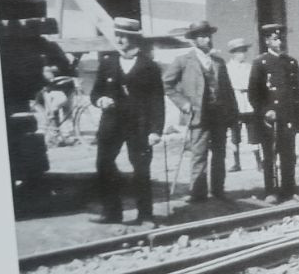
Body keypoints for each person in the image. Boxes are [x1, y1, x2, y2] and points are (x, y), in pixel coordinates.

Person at [90, 18, 164, 224]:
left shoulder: (149, 66)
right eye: (118, 36)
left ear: (134, 39)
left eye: (124, 36)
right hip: (111, 125)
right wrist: (100, 100)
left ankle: (145, 215)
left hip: (139, 126)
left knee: (141, 169)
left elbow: (157, 100)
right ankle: (112, 212)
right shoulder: (107, 63)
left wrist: (156, 130)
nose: (120, 40)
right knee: (104, 164)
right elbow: (95, 93)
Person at [163, 20, 238, 203]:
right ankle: (198, 192)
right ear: (194, 40)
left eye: (208, 35)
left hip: (219, 114)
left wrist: (233, 113)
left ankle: (218, 190)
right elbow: (167, 84)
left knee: (220, 153)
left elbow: (227, 89)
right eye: (202, 36)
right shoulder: (183, 60)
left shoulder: (218, 62)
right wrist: (183, 103)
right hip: (198, 114)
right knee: (199, 153)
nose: (207, 39)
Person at [246, 23, 299, 202]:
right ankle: (271, 191)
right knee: (270, 156)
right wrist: (266, 111)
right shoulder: (260, 63)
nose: (279, 41)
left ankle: (289, 190)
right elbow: (253, 93)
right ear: (267, 41)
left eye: (281, 38)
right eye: (275, 39)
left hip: (289, 117)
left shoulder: (291, 62)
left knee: (289, 154)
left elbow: (298, 93)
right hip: (270, 119)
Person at [224, 37, 254, 173]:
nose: (243, 54)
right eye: (240, 51)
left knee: (253, 132)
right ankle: (236, 163)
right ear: (234, 53)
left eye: (244, 51)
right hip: (234, 102)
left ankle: (259, 161)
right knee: (234, 134)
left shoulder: (250, 67)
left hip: (248, 102)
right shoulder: (227, 68)